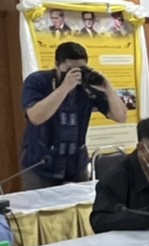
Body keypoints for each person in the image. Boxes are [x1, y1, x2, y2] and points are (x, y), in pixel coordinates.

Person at [19, 41, 128, 190]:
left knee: (81, 203)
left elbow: (120, 117)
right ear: (57, 65)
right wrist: (65, 87)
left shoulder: (86, 86)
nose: (76, 75)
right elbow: (36, 117)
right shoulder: (38, 81)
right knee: (41, 204)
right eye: (70, 70)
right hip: (42, 164)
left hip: (76, 164)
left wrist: (108, 88)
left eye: (81, 69)